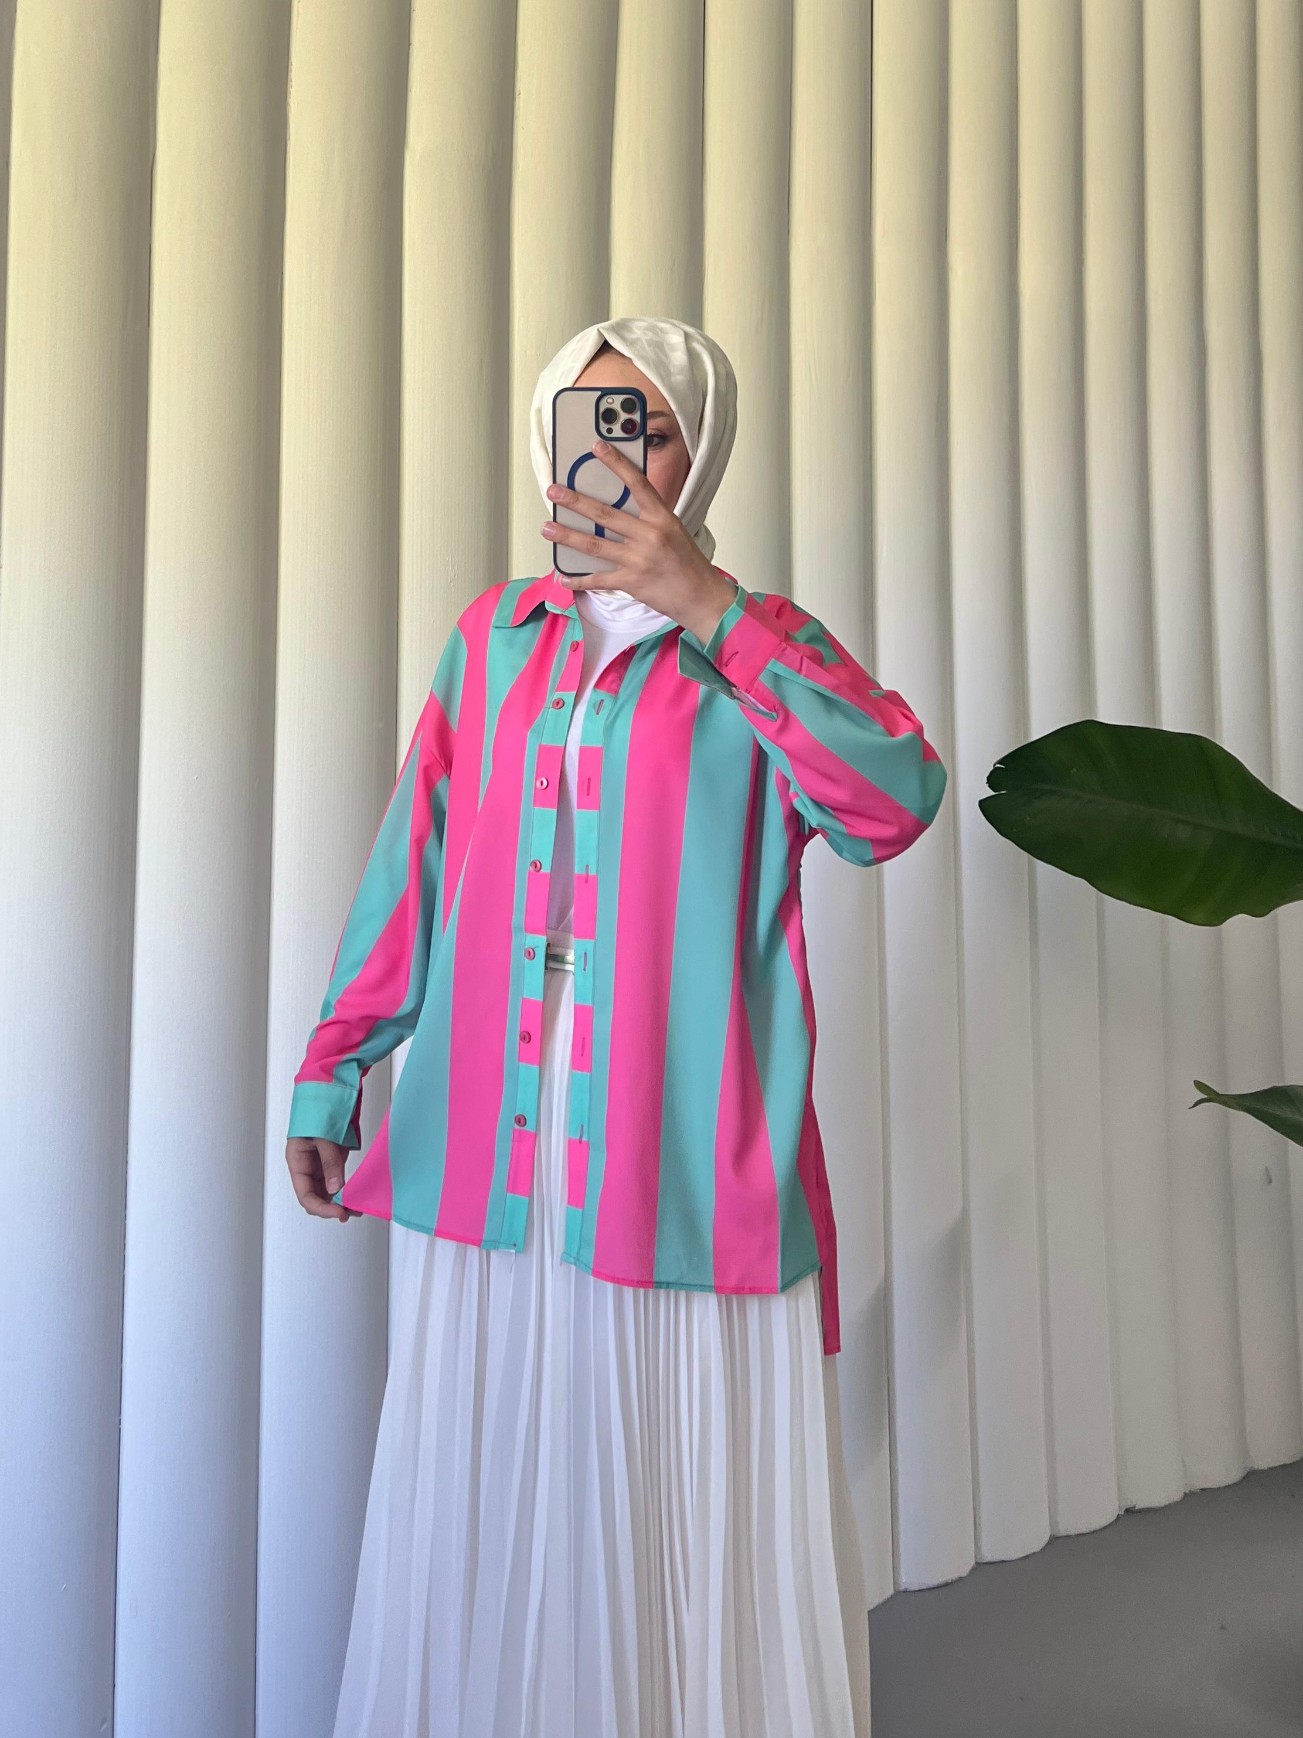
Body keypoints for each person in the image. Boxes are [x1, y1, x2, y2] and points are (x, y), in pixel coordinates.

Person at [284, 315, 947, 1737]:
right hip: (495, 1159)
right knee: (498, 1493)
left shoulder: (760, 649)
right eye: (588, 419)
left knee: (674, 1509)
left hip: (679, 1165)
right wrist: (336, 1068)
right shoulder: (491, 640)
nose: (613, 453)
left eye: (647, 424)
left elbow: (894, 802)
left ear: (698, 453)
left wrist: (709, 606)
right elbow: (417, 863)